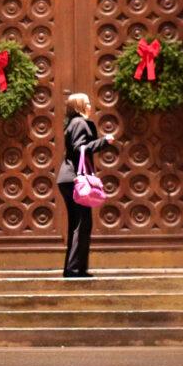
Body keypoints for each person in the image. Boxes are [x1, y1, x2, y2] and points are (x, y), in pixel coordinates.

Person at [56, 92, 115, 278]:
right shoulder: (80, 123)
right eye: (87, 103)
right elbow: (79, 148)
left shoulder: (72, 124)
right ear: (79, 106)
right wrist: (104, 141)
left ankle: (74, 268)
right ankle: (75, 270)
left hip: (67, 178)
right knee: (82, 223)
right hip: (75, 179)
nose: (90, 106)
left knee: (77, 223)